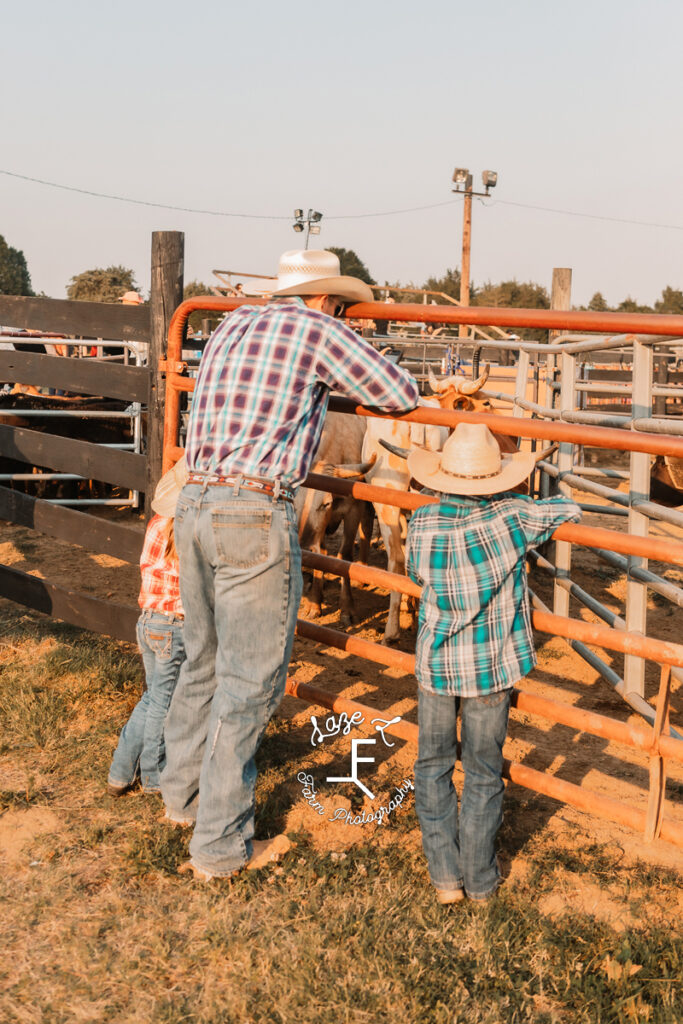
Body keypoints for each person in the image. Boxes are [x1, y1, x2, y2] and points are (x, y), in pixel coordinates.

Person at [160, 249, 420, 881]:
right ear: (330, 300)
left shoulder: (231, 324)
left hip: (194, 497)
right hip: (252, 508)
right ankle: (221, 848)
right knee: (249, 683)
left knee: (202, 659)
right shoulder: (319, 330)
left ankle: (181, 799)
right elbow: (400, 393)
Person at [406, 424, 581, 905]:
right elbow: (568, 509)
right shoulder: (513, 519)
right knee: (483, 771)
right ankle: (480, 879)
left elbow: (413, 571)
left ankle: (445, 878)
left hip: (436, 668)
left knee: (432, 767)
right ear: (496, 476)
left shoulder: (421, 522)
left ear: (441, 475)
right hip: (490, 669)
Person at [108, 457, 188, 796]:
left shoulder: (157, 524)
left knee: (151, 697)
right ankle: (155, 778)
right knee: (162, 704)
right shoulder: (187, 532)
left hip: (148, 622)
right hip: (174, 626)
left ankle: (120, 771)